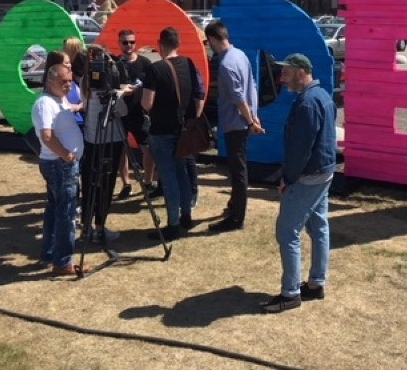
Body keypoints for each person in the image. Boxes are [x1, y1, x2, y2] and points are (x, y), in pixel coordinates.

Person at [262, 53, 337, 314]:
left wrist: (287, 180)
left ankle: (291, 293)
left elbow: (300, 149)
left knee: (287, 231)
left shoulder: (307, 103)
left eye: (287, 72)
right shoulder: (323, 96)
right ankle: (316, 283)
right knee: (319, 227)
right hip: (324, 172)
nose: (282, 78)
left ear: (302, 71)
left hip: (309, 176)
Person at [141, 27, 204, 241]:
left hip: (162, 129)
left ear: (160, 44)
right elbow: (198, 96)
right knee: (182, 174)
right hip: (184, 129)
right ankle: (186, 215)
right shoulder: (188, 64)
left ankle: (173, 224)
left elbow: (147, 103)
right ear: (178, 43)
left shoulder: (155, 69)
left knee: (168, 178)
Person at [204, 20, 264, 232]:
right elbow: (252, 86)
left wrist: (250, 121)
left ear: (212, 39)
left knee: (238, 170)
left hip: (235, 123)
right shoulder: (240, 54)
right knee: (238, 167)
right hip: (244, 120)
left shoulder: (227, 64)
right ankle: (233, 206)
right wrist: (254, 116)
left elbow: (239, 97)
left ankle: (237, 218)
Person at [31, 64, 87, 275]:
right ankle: (63, 262)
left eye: (70, 80)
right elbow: (47, 136)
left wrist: (80, 106)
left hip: (61, 163)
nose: (68, 84)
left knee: (56, 209)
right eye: (63, 81)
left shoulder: (59, 100)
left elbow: (68, 111)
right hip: (60, 164)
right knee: (67, 212)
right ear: (49, 81)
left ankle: (50, 253)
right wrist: (67, 155)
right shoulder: (45, 103)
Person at [81, 45, 129, 243]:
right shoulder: (111, 81)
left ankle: (86, 227)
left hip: (91, 138)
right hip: (111, 138)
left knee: (90, 182)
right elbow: (122, 111)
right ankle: (99, 227)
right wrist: (121, 93)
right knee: (106, 183)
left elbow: (85, 106)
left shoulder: (85, 81)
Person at [113, 29, 153, 199]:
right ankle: (126, 184)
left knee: (147, 148)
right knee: (121, 150)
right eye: (125, 42)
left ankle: (148, 182)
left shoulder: (145, 63)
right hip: (121, 113)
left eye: (131, 42)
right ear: (119, 43)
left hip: (139, 112)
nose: (128, 45)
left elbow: (153, 86)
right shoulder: (115, 64)